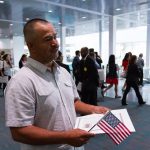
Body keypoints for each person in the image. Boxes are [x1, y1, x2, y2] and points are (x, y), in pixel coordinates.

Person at [5, 18, 109, 150]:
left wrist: (94, 109)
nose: (55, 43)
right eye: (48, 39)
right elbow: (19, 132)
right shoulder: (21, 81)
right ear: (30, 45)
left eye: (55, 37)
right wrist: (65, 137)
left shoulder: (63, 72)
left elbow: (73, 101)